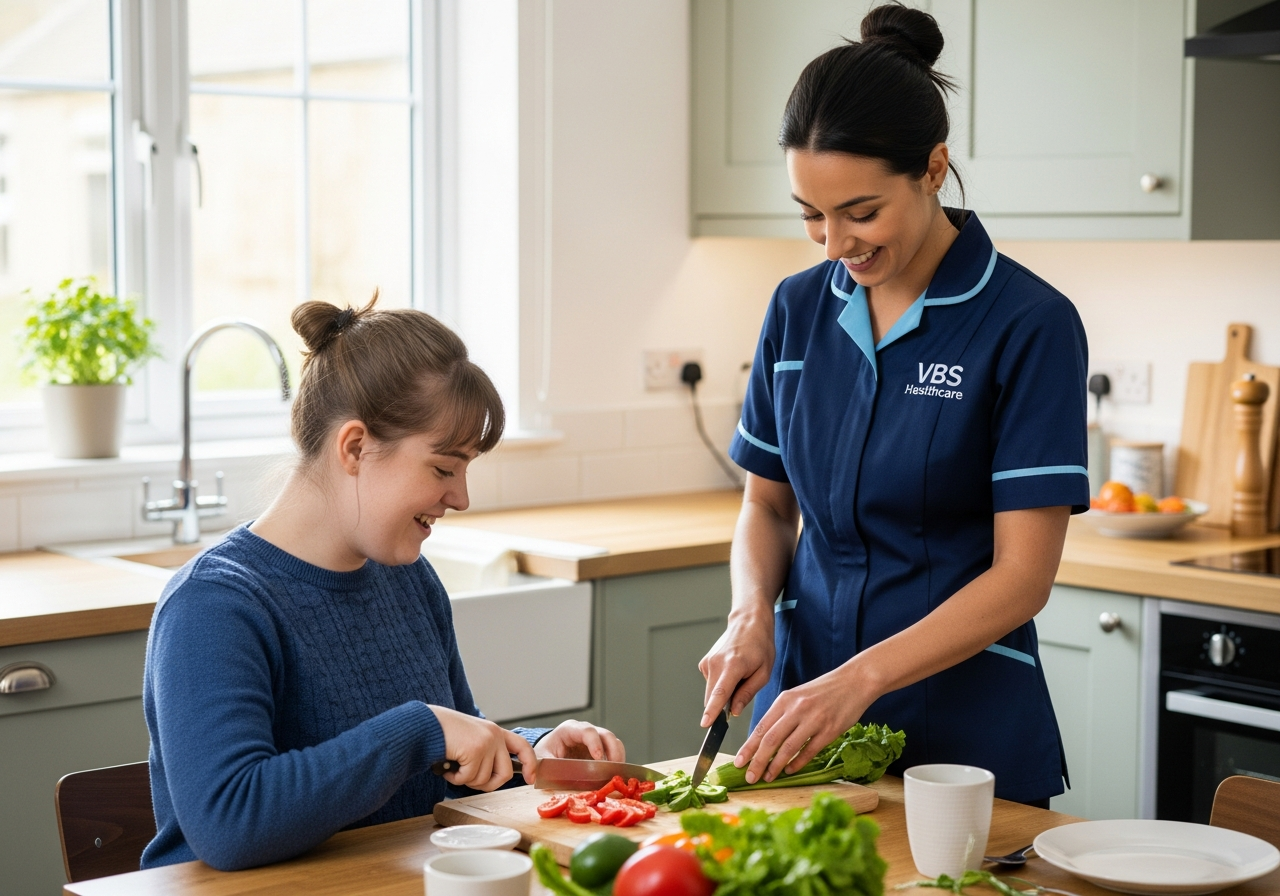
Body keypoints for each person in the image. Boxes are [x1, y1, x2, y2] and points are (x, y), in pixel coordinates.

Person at [698, 3, 1088, 808]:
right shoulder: (796, 309)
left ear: (934, 168)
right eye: (811, 214)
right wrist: (749, 615)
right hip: (804, 721)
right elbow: (767, 508)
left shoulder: (1029, 324)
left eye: (861, 212)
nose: (836, 244)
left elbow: (1022, 577)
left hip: (963, 736)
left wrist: (862, 679)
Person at [142, 295, 624, 870]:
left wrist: (528, 754)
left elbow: (446, 767)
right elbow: (230, 824)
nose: (461, 497)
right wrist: (422, 728)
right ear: (355, 447)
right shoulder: (216, 604)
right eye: (444, 468)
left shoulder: (410, 581)